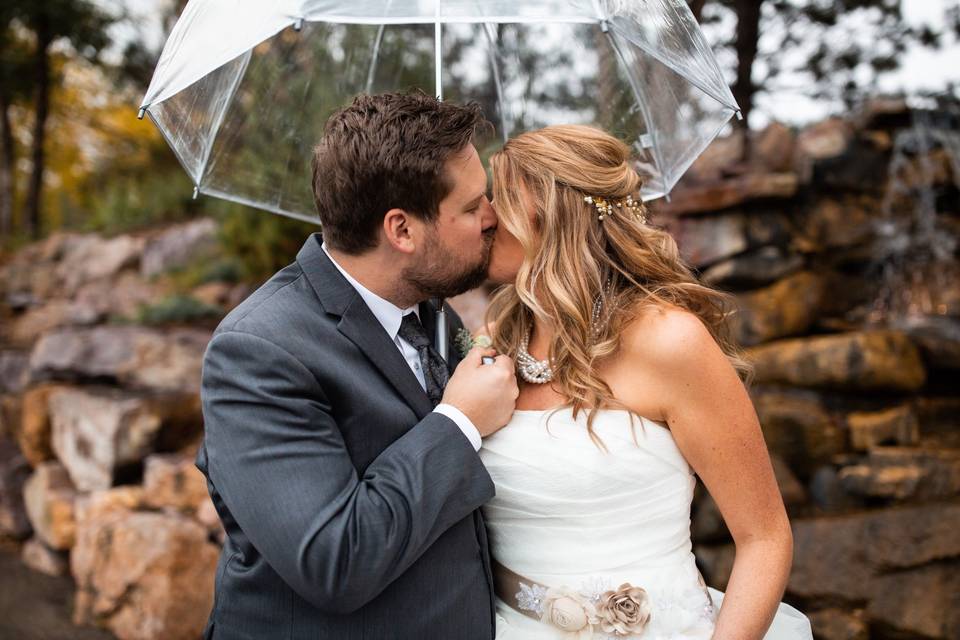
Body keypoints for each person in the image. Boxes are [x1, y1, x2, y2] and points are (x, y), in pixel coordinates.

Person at [196, 91, 518, 640]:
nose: (492, 218)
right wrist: (459, 423)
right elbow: (334, 560)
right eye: (471, 206)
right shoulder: (258, 350)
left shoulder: (435, 313)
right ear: (402, 231)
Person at [480, 124, 813, 639]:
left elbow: (764, 538)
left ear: (552, 216)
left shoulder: (670, 341)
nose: (482, 216)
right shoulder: (495, 341)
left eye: (497, 199)